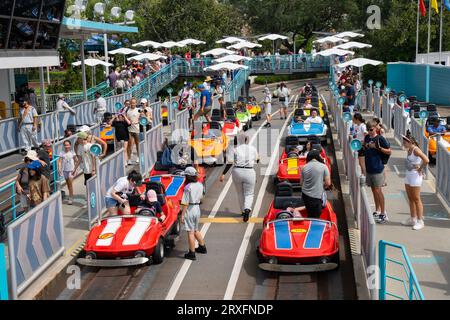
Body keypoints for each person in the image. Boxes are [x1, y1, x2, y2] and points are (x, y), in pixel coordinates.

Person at [220, 134, 259, 222]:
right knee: (249, 193)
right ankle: (247, 209)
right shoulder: (252, 148)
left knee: (240, 193)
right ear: (246, 140)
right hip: (249, 171)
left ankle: (242, 211)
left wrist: (223, 174)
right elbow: (257, 160)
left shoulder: (235, 149)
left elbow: (230, 163)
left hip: (237, 171)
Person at [364, 120, 392, 223]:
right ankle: (377, 210)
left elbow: (389, 151)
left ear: (375, 128)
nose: (369, 131)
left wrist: (377, 147)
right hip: (369, 168)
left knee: (378, 191)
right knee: (373, 190)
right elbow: (365, 147)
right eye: (368, 130)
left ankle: (383, 213)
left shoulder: (380, 139)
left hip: (377, 168)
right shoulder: (367, 137)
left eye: (371, 129)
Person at [401, 134, 429, 230]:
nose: (403, 143)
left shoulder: (416, 150)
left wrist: (420, 168)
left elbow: (426, 160)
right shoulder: (409, 149)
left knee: (416, 198)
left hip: (415, 176)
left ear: (410, 142)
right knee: (410, 198)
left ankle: (420, 221)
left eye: (405, 141)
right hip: (408, 175)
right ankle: (413, 219)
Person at [181, 167, 207, 260]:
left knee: (190, 232)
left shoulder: (188, 187)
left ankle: (191, 253)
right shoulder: (200, 184)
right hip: (197, 208)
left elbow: (185, 202)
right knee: (195, 229)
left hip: (190, 209)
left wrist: (183, 214)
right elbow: (202, 197)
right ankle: (202, 247)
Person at [300, 150, 331, 218]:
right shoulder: (324, 166)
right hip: (316, 196)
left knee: (309, 212)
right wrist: (322, 186)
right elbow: (328, 183)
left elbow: (301, 183)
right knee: (316, 215)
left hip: (305, 195)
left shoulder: (304, 167)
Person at [57, 140, 76, 205]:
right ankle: (71, 194)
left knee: (70, 184)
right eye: (65, 145)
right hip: (65, 171)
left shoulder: (72, 152)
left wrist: (75, 169)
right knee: (68, 184)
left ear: (70, 145)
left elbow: (76, 160)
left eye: (68, 145)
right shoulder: (62, 153)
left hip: (71, 170)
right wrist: (59, 169)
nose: (66, 146)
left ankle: (71, 198)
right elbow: (59, 161)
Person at [126, 98, 141, 165]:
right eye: (132, 103)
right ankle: (129, 159)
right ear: (130, 103)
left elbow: (144, 115)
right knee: (129, 145)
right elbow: (127, 119)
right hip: (130, 129)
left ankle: (138, 157)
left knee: (138, 144)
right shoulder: (128, 110)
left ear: (136, 103)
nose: (133, 104)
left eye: (134, 103)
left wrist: (140, 120)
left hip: (136, 129)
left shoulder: (138, 110)